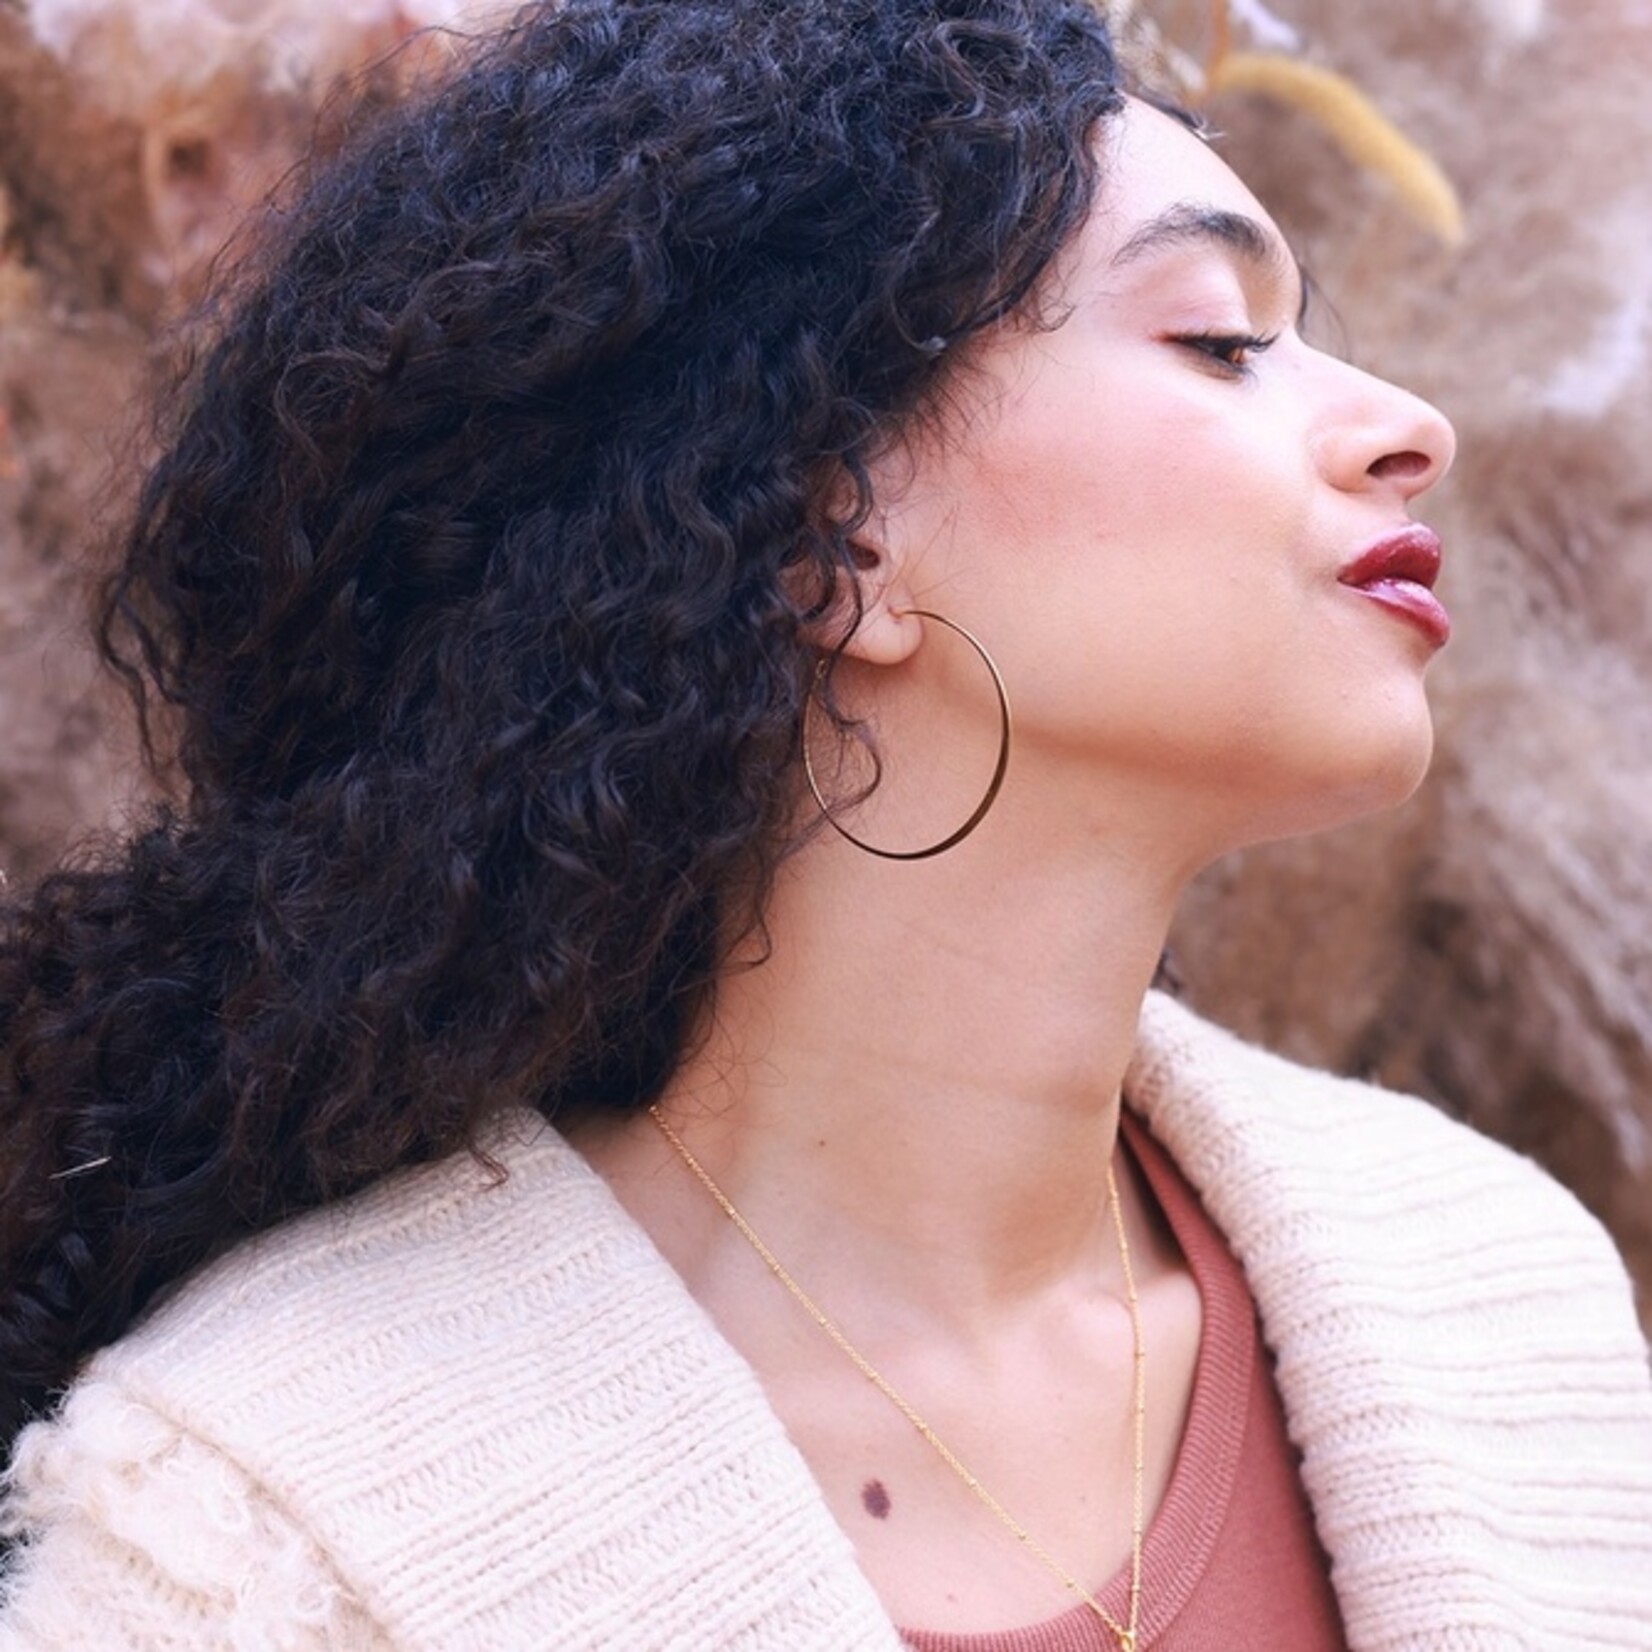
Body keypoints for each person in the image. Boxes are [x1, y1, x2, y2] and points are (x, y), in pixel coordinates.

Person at [1, 0, 1649, 1646]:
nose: (1407, 423)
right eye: (1220, 340)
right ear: (830, 543)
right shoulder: (255, 1534)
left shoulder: (1502, 1305)